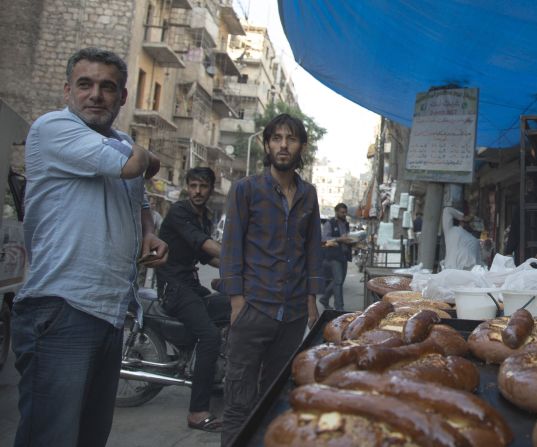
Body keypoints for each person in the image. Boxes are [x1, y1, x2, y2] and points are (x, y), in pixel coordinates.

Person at [11, 47, 167, 447]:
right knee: (52, 438)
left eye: (107, 87)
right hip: (62, 308)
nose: (96, 94)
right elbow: (136, 167)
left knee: (90, 436)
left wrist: (148, 232)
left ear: (123, 98)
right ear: (67, 91)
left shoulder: (121, 141)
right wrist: (145, 155)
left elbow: (141, 199)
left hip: (111, 312)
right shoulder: (52, 128)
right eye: (85, 85)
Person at [219, 113, 324, 445]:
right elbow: (231, 246)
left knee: (276, 401)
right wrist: (237, 302)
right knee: (238, 403)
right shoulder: (246, 189)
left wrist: (311, 299)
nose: (283, 145)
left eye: (290, 139)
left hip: (292, 315)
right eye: (276, 138)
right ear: (267, 144)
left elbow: (312, 248)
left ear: (301, 146)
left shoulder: (308, 194)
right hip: (253, 310)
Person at [155, 167, 229, 432]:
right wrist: (237, 258)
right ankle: (197, 412)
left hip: (190, 285)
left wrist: (241, 270)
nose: (198, 192)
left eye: (203, 186)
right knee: (209, 337)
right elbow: (204, 243)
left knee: (229, 307)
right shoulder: (180, 212)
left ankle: (217, 377)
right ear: (187, 187)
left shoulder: (204, 216)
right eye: (193, 186)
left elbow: (207, 256)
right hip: (174, 287)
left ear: (211, 188)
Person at [320, 202, 355, 310]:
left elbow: (346, 238)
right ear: (336, 212)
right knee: (338, 281)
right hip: (334, 256)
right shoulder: (329, 223)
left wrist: (354, 242)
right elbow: (324, 239)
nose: (344, 214)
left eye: (345, 212)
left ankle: (324, 298)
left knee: (338, 280)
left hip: (344, 255)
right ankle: (339, 308)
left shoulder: (346, 224)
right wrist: (340, 239)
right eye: (342, 212)